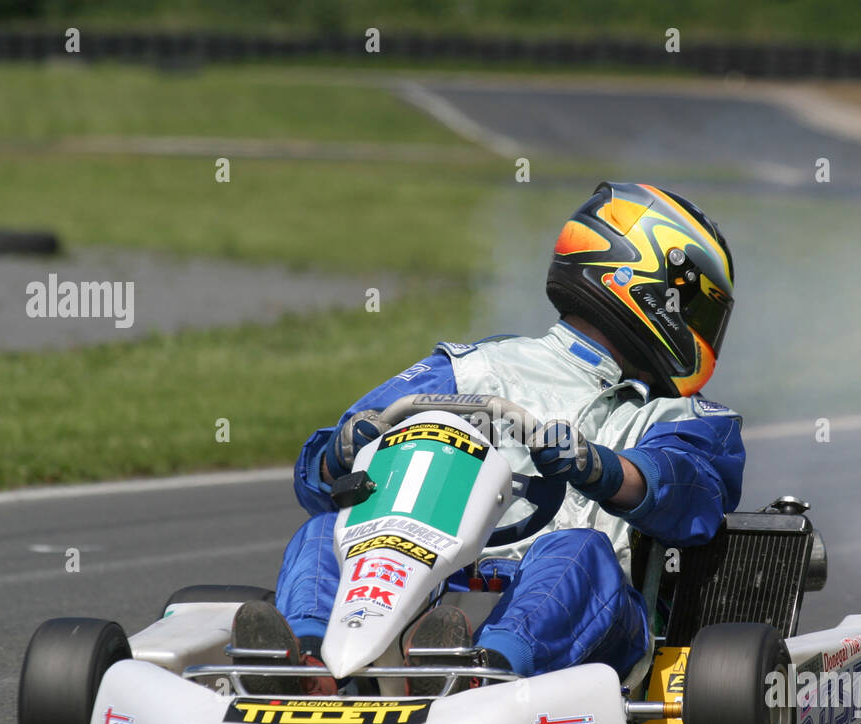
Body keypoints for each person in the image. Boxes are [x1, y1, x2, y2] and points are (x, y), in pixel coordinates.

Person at [232, 181, 745, 693]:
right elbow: (323, 475)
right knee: (327, 532)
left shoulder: (686, 415)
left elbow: (691, 493)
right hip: (430, 592)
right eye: (697, 308)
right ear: (650, 286)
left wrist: (603, 469)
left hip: (593, 623)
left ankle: (480, 677)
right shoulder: (473, 369)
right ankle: (307, 664)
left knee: (578, 550)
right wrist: (337, 456)